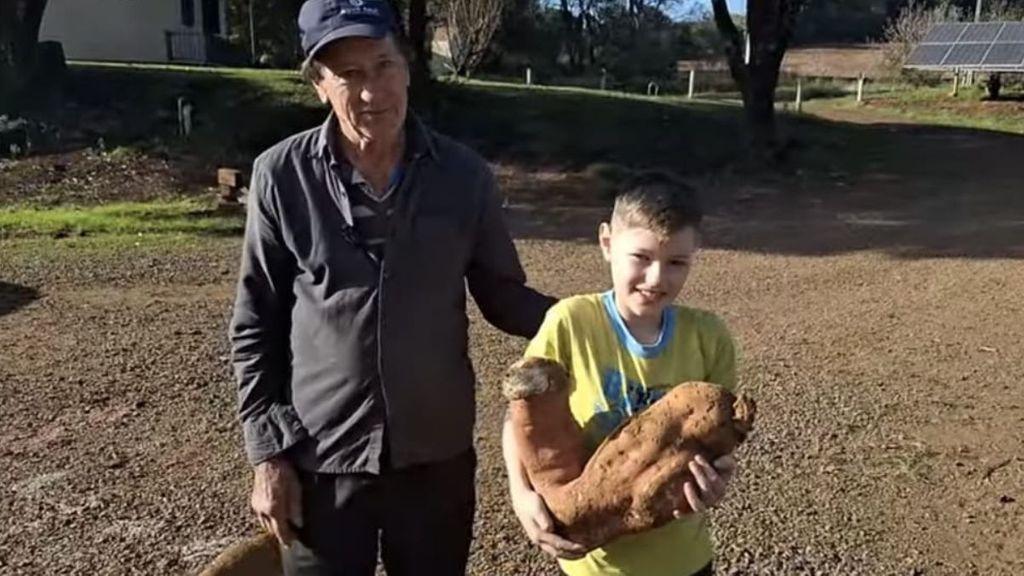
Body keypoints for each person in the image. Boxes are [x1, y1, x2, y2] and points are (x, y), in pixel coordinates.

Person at [228, 1, 553, 574]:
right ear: (319, 85)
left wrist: (603, 316)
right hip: (320, 460)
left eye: (383, 65)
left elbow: (504, 296)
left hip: (436, 460)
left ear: (407, 66)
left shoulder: (463, 176)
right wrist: (269, 455)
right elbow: (257, 322)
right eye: (349, 74)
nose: (372, 90)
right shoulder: (281, 175)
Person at [502, 172, 740, 576]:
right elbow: (522, 421)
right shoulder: (571, 322)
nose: (656, 279)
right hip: (592, 564)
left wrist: (718, 479)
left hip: (683, 560)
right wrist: (521, 494)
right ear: (607, 243)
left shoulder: (709, 337)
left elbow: (721, 445)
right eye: (641, 258)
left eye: (676, 263)